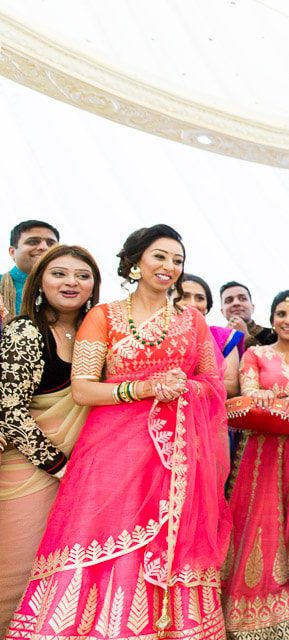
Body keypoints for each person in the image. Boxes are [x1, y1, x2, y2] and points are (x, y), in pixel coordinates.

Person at [4, 224, 231, 640]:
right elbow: (84, 387)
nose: (169, 267)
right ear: (136, 262)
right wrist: (141, 388)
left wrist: (183, 386)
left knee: (165, 548)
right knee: (102, 543)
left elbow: (213, 385)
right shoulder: (103, 315)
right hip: (111, 456)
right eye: (159, 256)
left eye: (177, 260)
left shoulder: (192, 320)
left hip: (175, 460)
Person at [0, 245, 100, 634]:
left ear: (94, 285)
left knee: (54, 576)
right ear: (40, 280)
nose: (71, 282)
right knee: (15, 573)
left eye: (82, 274)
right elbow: (9, 411)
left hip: (77, 474)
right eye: (59, 273)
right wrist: (59, 466)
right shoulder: (26, 330)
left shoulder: (95, 334)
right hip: (26, 471)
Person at [221, 290, 289, 639]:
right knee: (258, 519)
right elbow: (248, 386)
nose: (287, 320)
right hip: (259, 453)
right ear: (271, 319)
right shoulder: (254, 353)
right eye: (281, 313)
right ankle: (250, 615)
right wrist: (259, 394)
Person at [183, 274, 242, 397]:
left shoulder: (223, 337)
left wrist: (183, 385)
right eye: (184, 296)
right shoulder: (154, 335)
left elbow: (231, 386)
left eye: (200, 298)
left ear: (207, 307)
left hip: (208, 410)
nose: (193, 304)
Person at [2, 221, 59, 316]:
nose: (44, 247)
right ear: (12, 252)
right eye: (33, 242)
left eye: (51, 243)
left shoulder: (70, 289)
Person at [221, 281, 277, 349]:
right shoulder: (215, 341)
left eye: (242, 299)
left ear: (252, 307)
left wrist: (246, 337)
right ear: (222, 311)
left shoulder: (274, 335)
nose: (236, 303)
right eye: (229, 300)